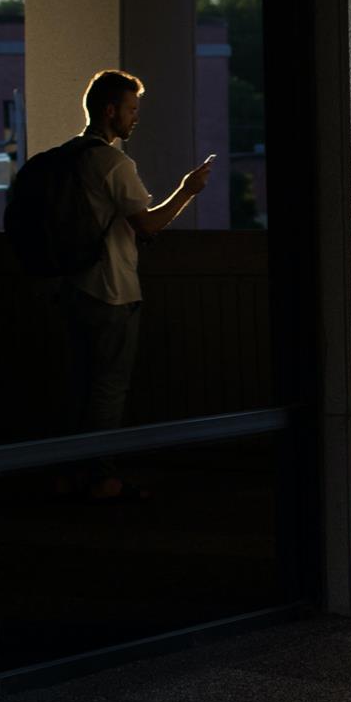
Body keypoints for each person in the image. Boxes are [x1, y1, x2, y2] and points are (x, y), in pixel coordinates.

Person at [63, 69, 213, 501]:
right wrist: (187, 191)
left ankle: (69, 472)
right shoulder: (112, 162)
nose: (135, 118)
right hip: (112, 291)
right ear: (110, 110)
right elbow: (146, 224)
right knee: (108, 390)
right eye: (130, 109)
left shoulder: (68, 156)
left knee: (78, 386)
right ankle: (101, 477)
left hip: (73, 287)